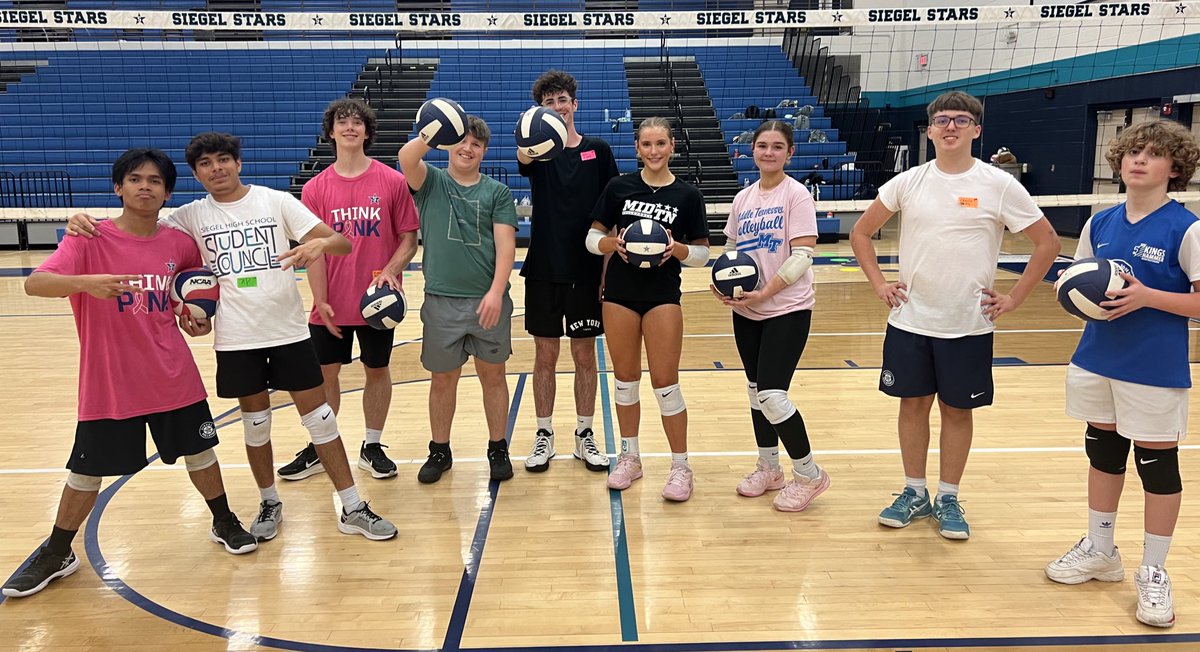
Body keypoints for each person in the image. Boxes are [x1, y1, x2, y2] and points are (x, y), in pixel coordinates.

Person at [65, 133, 397, 542]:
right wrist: (83, 222)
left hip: (289, 332)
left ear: (238, 163)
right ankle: (269, 502)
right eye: (205, 164)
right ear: (196, 174)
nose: (216, 168)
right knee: (256, 425)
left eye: (223, 159)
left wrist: (321, 245)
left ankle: (352, 506)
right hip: (236, 339)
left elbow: (341, 243)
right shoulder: (189, 216)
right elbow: (137, 228)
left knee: (321, 420)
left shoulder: (275, 201)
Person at [3, 149, 258, 598]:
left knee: (201, 454)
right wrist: (86, 283)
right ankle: (57, 551)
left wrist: (194, 318)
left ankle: (223, 520)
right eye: (135, 179)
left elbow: (190, 295)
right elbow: (34, 283)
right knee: (86, 473)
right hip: (109, 381)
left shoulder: (179, 244)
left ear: (167, 193)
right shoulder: (88, 238)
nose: (145, 187)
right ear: (118, 187)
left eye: (155, 181)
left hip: (172, 373)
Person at [849, 91, 1060, 539]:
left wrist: (1015, 297)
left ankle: (948, 496)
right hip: (911, 320)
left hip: (968, 323)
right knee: (912, 405)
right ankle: (914, 492)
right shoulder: (908, 182)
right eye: (942, 120)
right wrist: (879, 283)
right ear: (929, 130)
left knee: (957, 411)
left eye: (961, 120)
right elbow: (861, 233)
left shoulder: (998, 185)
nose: (950, 127)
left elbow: (1048, 243)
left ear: (976, 130)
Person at [1043, 120, 1200, 628]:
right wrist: (1069, 289)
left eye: (1153, 154)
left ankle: (1154, 570)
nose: (1139, 160)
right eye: (1133, 152)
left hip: (1153, 367)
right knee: (1103, 452)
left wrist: (1147, 296)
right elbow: (1080, 281)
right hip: (1096, 359)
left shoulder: (1187, 229)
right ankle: (1101, 550)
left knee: (1158, 465)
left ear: (1174, 168)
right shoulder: (1100, 223)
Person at [278, 98, 419, 482]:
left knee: (378, 370)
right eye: (342, 122)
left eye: (357, 122)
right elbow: (314, 252)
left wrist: (390, 271)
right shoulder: (315, 188)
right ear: (331, 132)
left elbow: (409, 240)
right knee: (324, 375)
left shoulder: (391, 181)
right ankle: (320, 446)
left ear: (367, 132)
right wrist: (320, 300)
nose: (350, 127)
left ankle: (372, 446)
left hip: (378, 300)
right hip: (331, 303)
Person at [585, 116, 710, 501]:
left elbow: (703, 254)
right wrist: (614, 244)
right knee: (625, 380)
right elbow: (591, 238)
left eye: (660, 143)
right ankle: (630, 457)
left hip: (662, 295)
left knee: (665, 383)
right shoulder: (619, 187)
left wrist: (678, 249)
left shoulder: (688, 195)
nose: (654, 151)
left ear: (672, 146)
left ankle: (681, 466)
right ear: (637, 149)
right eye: (646, 144)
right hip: (620, 295)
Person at [712, 120, 829, 511]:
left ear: (789, 153)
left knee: (772, 395)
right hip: (747, 310)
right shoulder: (743, 198)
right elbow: (731, 251)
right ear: (753, 151)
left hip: (787, 308)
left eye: (777, 146)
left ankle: (809, 475)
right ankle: (769, 468)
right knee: (755, 392)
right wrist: (722, 283)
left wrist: (765, 292)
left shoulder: (796, 195)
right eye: (763, 145)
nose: (769, 152)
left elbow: (803, 255)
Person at [398, 113, 519, 483]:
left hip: (487, 302)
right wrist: (436, 130)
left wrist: (496, 292)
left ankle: (497, 447)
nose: (468, 149)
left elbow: (506, 246)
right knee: (442, 379)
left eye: (476, 144)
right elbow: (406, 158)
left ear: (484, 151)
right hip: (441, 301)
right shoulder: (431, 181)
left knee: (493, 376)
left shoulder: (497, 192)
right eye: (462, 141)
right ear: (450, 145)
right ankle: (440, 450)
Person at [517, 69, 619, 474]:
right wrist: (532, 131)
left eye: (562, 100)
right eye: (549, 102)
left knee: (584, 355)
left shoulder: (599, 151)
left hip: (587, 269)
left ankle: (584, 433)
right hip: (543, 268)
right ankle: (544, 434)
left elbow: (612, 217)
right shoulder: (538, 152)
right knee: (545, 355)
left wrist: (607, 270)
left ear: (575, 104)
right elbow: (524, 157)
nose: (558, 107)